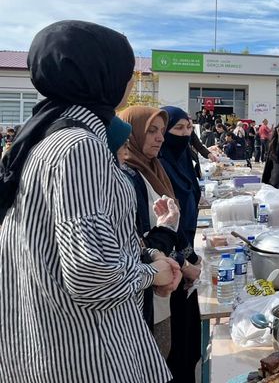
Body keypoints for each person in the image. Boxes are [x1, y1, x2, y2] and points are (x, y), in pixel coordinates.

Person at [0, 20, 178, 381]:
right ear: (101, 76)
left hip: (49, 346)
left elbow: (74, 243)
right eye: (127, 73)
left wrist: (147, 253)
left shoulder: (44, 140)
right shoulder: (81, 148)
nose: (130, 83)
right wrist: (150, 273)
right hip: (88, 352)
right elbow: (92, 276)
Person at [118, 106, 202, 362]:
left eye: (162, 131)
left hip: (173, 278)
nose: (161, 138)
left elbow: (174, 224)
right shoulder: (129, 178)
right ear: (131, 135)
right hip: (153, 288)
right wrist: (183, 262)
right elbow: (140, 241)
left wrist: (189, 259)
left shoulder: (153, 168)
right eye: (151, 131)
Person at [158, 106, 204, 383]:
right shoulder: (158, 165)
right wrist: (186, 260)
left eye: (189, 128)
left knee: (188, 336)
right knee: (175, 341)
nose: (185, 134)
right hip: (169, 263)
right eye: (179, 129)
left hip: (185, 251)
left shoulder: (183, 158)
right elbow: (160, 222)